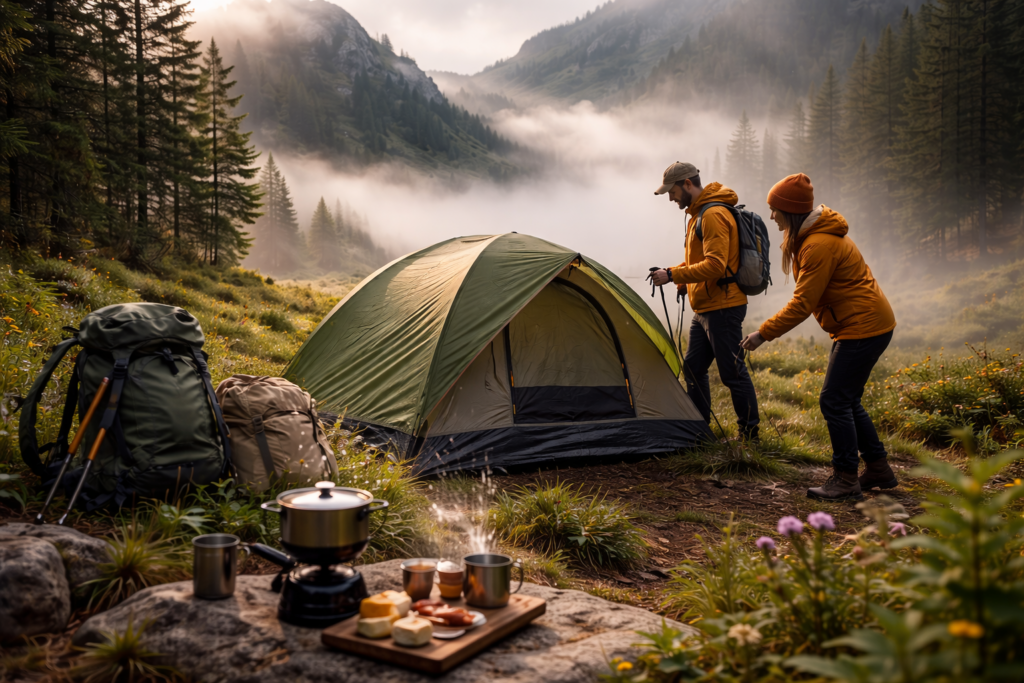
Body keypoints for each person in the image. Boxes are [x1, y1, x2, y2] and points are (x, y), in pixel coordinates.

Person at [740, 173, 898, 501]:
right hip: (867, 323)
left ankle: (845, 478)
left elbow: (802, 304)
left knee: (834, 400)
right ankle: (879, 468)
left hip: (863, 327)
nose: (771, 216)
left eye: (775, 209)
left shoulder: (818, 245)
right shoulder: (814, 238)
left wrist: (762, 334)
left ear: (791, 211)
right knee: (847, 399)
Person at [650, 161, 759, 441]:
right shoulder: (698, 215)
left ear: (687, 184)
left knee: (732, 373)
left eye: (672, 191)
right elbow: (698, 262)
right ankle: (699, 431)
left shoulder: (712, 215)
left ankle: (750, 436)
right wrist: (683, 278)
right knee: (694, 368)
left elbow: (716, 265)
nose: (671, 198)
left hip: (723, 307)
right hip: (706, 308)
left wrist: (673, 274)